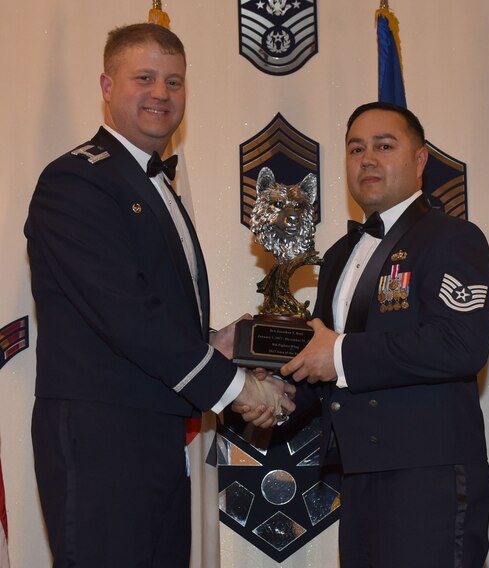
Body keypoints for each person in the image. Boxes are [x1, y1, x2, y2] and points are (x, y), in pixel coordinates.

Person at [25, 23, 293, 567]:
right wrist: (235, 388)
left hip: (154, 433)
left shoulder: (150, 186)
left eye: (174, 82)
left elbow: (154, 315)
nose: (161, 94)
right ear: (106, 85)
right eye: (143, 77)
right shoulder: (75, 182)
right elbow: (126, 315)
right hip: (102, 437)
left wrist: (221, 342)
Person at [279, 102, 489, 567]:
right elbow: (324, 360)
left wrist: (337, 354)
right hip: (358, 473)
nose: (368, 159)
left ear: (420, 161)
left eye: (384, 145)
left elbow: (461, 345)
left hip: (429, 474)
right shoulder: (338, 255)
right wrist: (270, 394)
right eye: (356, 148)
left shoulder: (453, 237)